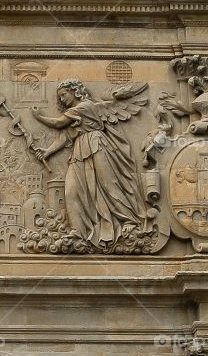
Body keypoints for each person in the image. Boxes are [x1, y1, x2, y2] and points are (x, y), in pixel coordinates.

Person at [32, 80, 147, 249]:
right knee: (72, 190)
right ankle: (78, 232)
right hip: (79, 149)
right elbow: (66, 136)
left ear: (75, 92)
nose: (62, 100)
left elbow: (58, 123)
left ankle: (129, 221)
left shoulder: (85, 106)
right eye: (60, 97)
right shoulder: (76, 117)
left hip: (97, 145)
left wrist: (38, 116)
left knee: (109, 186)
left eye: (64, 95)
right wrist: (47, 152)